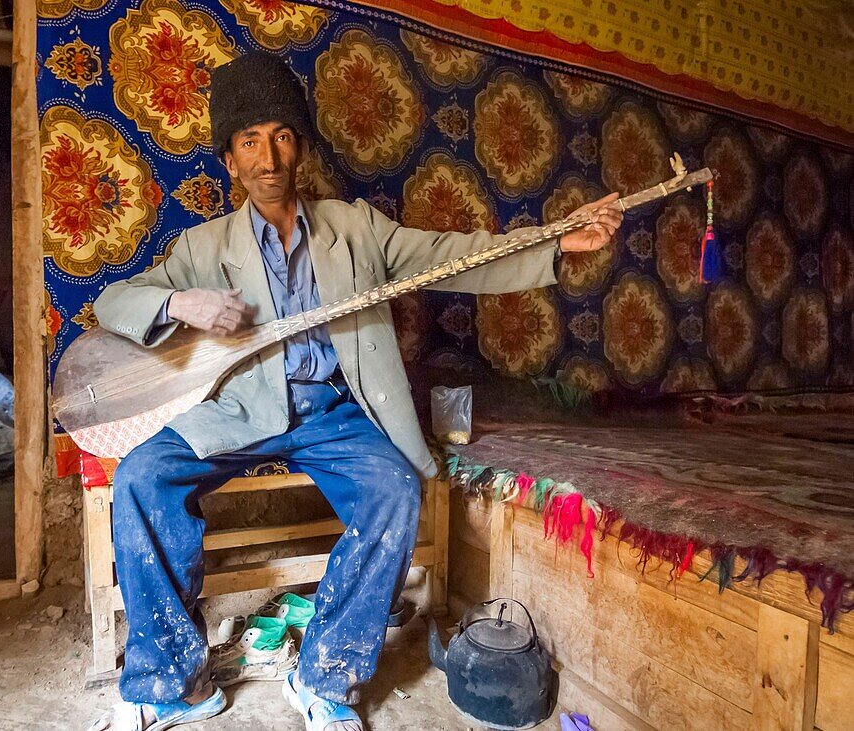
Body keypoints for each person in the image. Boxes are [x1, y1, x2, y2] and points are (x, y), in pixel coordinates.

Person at [89, 50, 622, 731]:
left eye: (281, 136)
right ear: (229, 160)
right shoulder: (203, 246)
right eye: (249, 141)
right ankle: (171, 682)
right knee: (139, 475)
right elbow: (113, 303)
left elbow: (457, 255)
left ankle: (323, 675)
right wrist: (180, 305)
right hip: (237, 412)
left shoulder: (355, 229)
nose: (268, 156)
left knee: (395, 491)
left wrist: (555, 245)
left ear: (301, 148)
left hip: (332, 414)